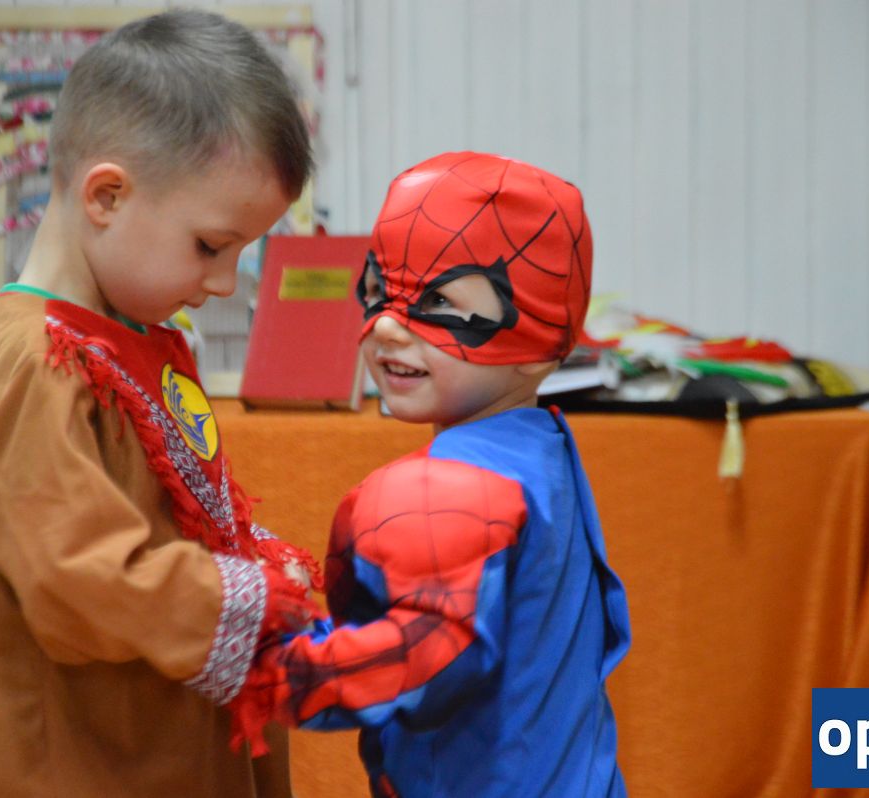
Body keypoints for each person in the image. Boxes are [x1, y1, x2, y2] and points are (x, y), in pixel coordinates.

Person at [0, 10, 319, 797]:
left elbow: (168, 523)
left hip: (175, 752)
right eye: (211, 246)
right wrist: (246, 598)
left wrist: (256, 561)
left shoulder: (131, 337)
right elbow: (79, 578)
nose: (224, 284)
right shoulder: (37, 360)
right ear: (106, 196)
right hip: (91, 770)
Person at [232, 152, 632, 797]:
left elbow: (415, 659)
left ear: (540, 340)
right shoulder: (544, 446)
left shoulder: (442, 488)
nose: (388, 324)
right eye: (377, 290)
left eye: (439, 301)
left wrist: (258, 660)